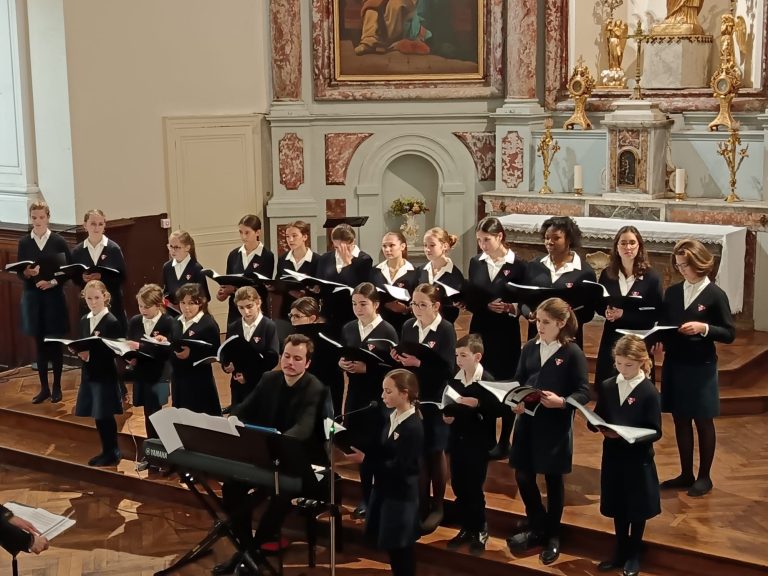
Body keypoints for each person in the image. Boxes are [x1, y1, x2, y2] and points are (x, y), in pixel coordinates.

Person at [215, 334, 326, 576]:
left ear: (307, 363)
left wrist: (277, 440)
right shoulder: (269, 378)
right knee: (232, 487)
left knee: (281, 495)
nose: (290, 362)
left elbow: (304, 429)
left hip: (299, 462)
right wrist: (233, 419)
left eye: (298, 358)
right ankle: (245, 548)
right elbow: (244, 409)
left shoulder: (315, 387)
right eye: (287, 356)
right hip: (267, 455)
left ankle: (251, 553)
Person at [506, 297, 591, 565]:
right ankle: (537, 523)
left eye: (545, 322)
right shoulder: (530, 347)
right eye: (537, 321)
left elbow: (584, 392)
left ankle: (552, 535)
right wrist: (515, 401)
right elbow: (519, 380)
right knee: (522, 475)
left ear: (561, 323)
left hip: (554, 425)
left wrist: (562, 402)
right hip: (528, 422)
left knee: (553, 480)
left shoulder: (572, 353)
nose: (539, 326)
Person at [656, 239, 735, 497]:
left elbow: (729, 333)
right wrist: (659, 339)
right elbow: (666, 323)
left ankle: (704, 477)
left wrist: (704, 329)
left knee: (702, 420)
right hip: (675, 363)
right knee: (680, 419)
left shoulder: (715, 295)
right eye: (678, 265)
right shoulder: (673, 292)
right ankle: (686, 472)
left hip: (700, 367)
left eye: (685, 265)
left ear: (699, 264)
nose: (681, 270)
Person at [592, 335, 661, 576]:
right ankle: (620, 550)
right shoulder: (609, 385)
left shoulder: (649, 391)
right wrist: (596, 424)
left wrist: (627, 435)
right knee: (618, 504)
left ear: (642, 362)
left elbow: (655, 431)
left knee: (636, 506)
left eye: (628, 365)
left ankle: (634, 552)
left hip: (636, 458)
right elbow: (600, 414)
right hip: (613, 456)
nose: (623, 369)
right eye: (619, 364)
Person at [392, 283, 456, 533]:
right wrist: (399, 359)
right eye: (414, 304)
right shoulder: (408, 326)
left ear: (436, 306)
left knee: (435, 450)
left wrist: (418, 362)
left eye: (422, 305)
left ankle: (438, 504)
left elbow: (448, 368)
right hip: (413, 397)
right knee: (417, 451)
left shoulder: (445, 329)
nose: (416, 309)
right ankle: (420, 504)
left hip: (436, 397)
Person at [467, 216, 526, 459]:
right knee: (483, 382)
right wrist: (480, 304)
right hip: (481, 328)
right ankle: (488, 438)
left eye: (487, 240)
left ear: (500, 236)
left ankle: (504, 442)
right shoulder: (476, 262)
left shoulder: (519, 265)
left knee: (504, 384)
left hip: (506, 332)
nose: (482, 245)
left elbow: (525, 299)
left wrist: (511, 308)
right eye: (479, 240)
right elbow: (473, 295)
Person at [355, 368, 424, 576]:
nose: (383, 396)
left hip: (401, 497)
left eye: (388, 391)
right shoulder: (393, 416)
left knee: (401, 550)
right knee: (393, 550)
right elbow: (384, 449)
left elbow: (402, 467)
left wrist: (366, 461)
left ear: (404, 393)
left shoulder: (413, 427)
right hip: (387, 493)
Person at [339, 282, 398, 520]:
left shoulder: (387, 331)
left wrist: (368, 369)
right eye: (354, 304)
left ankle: (382, 497)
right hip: (355, 396)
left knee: (378, 448)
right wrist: (341, 364)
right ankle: (366, 497)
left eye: (363, 304)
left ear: (375, 304)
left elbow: (393, 368)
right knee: (359, 447)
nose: (358, 308)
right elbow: (344, 354)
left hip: (379, 397)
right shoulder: (349, 328)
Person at [443, 334, 495, 554]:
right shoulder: (454, 379)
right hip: (457, 441)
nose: (459, 360)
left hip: (477, 444)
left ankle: (480, 528)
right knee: (459, 485)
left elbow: (495, 412)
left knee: (474, 487)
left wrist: (479, 405)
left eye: (463, 356)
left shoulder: (487, 380)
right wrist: (446, 417)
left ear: (477, 356)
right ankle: (466, 527)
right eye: (457, 355)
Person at [16, 201, 71, 404]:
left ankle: (57, 387)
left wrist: (53, 282)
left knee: (54, 344)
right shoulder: (24, 242)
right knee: (39, 346)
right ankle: (44, 388)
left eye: (41, 217)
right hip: (33, 299)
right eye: (34, 218)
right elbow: (20, 272)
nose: (38, 221)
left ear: (48, 217)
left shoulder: (58, 241)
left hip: (53, 298)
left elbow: (68, 271)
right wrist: (27, 273)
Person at [594, 226, 662, 387]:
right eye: (623, 243)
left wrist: (623, 315)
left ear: (639, 246)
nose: (628, 247)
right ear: (616, 247)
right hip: (612, 338)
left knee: (637, 389)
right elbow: (598, 304)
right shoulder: (607, 274)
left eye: (632, 243)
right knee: (609, 387)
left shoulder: (652, 277)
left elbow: (656, 313)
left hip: (638, 340)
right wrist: (606, 312)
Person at [523, 216, 596, 348]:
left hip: (567, 339)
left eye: (556, 238)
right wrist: (529, 313)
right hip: (538, 336)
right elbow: (524, 299)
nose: (549, 242)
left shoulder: (584, 272)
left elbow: (588, 311)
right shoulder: (533, 266)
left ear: (569, 240)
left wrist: (563, 318)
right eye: (546, 238)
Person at [126, 284, 177, 472]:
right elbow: (130, 344)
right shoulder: (135, 321)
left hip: (160, 374)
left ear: (158, 305)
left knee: (158, 414)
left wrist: (141, 348)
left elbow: (168, 351)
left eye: (146, 306)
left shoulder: (168, 322)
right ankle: (151, 454)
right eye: (140, 306)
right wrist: (131, 356)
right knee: (148, 414)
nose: (142, 310)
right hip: (141, 374)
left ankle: (166, 456)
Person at [73, 280, 123, 467]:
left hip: (104, 373)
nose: (93, 302)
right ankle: (106, 450)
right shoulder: (84, 320)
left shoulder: (111, 322)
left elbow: (115, 350)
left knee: (105, 413)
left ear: (105, 297)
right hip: (89, 373)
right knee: (97, 414)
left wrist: (90, 353)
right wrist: (79, 352)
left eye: (96, 298)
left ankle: (112, 451)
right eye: (89, 298)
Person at [222, 286, 279, 412]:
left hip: (259, 384)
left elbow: (272, 358)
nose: (246, 312)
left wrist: (248, 376)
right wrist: (226, 365)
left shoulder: (269, 326)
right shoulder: (233, 326)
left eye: (249, 306)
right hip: (237, 386)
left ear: (258, 303)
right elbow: (227, 352)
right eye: (241, 308)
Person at [70, 209, 128, 331]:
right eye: (93, 224)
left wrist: (102, 277)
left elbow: (122, 276)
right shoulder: (78, 251)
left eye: (100, 224)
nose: (97, 228)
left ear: (104, 226)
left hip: (111, 305)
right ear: (85, 225)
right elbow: (74, 277)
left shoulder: (113, 249)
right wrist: (82, 278)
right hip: (89, 305)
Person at [169, 283, 221, 416]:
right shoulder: (176, 322)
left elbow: (215, 352)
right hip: (178, 379)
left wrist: (192, 354)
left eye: (191, 303)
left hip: (199, 380)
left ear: (200, 303)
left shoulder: (208, 324)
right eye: (183, 303)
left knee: (200, 418)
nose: (186, 308)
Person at [216, 215, 275, 327]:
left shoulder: (267, 256)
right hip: (236, 309)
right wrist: (223, 292)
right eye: (240, 232)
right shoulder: (233, 255)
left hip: (255, 309)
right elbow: (229, 280)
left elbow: (261, 286)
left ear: (258, 232)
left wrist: (234, 289)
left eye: (247, 232)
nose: (243, 236)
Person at [288, 297, 342, 413]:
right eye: (291, 315)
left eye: (297, 316)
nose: (292, 319)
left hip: (321, 393)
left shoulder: (326, 339)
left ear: (312, 318)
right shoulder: (292, 337)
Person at [315, 223, 373, 327]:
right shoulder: (325, 258)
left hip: (352, 314)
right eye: (337, 247)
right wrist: (316, 288)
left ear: (352, 242)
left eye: (345, 247)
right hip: (329, 313)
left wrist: (347, 263)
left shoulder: (364, 260)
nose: (340, 251)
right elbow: (320, 282)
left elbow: (359, 288)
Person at [370, 231, 418, 335]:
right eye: (384, 246)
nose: (387, 249)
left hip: (405, 326)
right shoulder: (374, 272)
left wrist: (405, 309)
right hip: (379, 325)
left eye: (391, 245)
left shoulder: (415, 273)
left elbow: (420, 301)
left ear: (402, 246)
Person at [417, 227, 464, 324]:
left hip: (443, 326)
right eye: (425, 245)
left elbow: (454, 308)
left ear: (445, 246)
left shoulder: (455, 275)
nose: (427, 249)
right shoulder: (420, 271)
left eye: (432, 245)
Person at [275, 220, 317, 319]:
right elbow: (278, 282)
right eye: (287, 236)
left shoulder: (317, 260)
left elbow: (320, 288)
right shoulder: (283, 259)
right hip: (287, 311)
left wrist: (306, 292)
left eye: (294, 236)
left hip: (308, 314)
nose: (290, 240)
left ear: (305, 237)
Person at [162, 230, 209, 315]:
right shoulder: (167, 267)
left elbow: (205, 296)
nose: (172, 250)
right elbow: (166, 290)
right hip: (173, 314)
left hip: (191, 314)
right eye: (170, 246)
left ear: (187, 248)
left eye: (176, 247)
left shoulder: (196, 268)